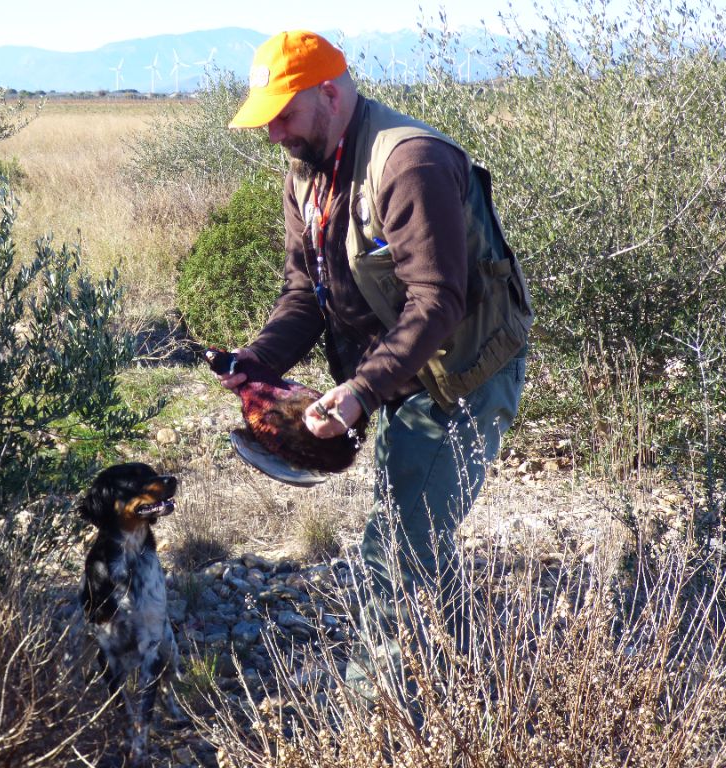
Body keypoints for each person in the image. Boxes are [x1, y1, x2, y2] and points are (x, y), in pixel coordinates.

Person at [216, 30, 533, 694]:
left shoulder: (408, 162)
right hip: (399, 375)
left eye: (283, 114)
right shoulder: (308, 169)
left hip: (463, 377)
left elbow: (439, 300)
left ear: (328, 93)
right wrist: (258, 360)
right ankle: (483, 682)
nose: (273, 133)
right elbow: (306, 290)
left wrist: (361, 390)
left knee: (394, 549)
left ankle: (371, 717)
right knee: (418, 527)